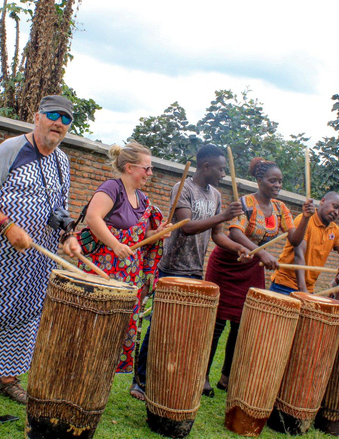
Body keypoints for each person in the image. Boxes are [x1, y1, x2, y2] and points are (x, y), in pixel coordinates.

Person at [0, 95, 81, 404]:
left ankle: (7, 380)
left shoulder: (63, 161)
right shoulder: (11, 148)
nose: (58, 123)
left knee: (26, 315)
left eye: (66, 119)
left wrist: (68, 236)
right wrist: (8, 227)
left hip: (37, 259)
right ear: (38, 117)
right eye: (53, 115)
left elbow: (59, 208)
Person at [130, 144, 247, 401]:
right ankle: (140, 381)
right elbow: (186, 226)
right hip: (172, 268)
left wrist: (239, 247)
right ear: (206, 167)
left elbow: (216, 235)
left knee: (181, 330)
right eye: (220, 169)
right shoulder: (183, 189)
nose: (224, 175)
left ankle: (164, 378)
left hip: (195, 270)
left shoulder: (215, 195)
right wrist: (224, 215)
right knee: (159, 326)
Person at [203, 158, 314, 394]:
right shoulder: (245, 202)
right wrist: (261, 253)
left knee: (241, 323)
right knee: (217, 322)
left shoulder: (281, 208)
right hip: (227, 263)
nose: (277, 185)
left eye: (280, 181)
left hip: (251, 269)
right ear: (259, 180)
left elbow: (294, 240)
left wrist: (304, 217)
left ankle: (226, 377)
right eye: (272, 180)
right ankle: (203, 376)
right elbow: (235, 232)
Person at [79, 142, 173, 374]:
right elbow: (93, 217)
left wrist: (157, 233)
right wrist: (115, 244)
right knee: (95, 327)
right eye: (147, 168)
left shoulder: (142, 199)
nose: (150, 174)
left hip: (128, 276)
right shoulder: (112, 188)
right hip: (102, 273)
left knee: (115, 330)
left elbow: (140, 237)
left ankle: (101, 375)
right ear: (130, 167)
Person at [269, 192, 339, 304]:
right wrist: (302, 290)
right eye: (335, 207)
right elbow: (299, 254)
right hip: (284, 285)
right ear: (322, 201)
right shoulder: (304, 220)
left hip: (308, 289)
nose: (336, 212)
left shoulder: (335, 231)